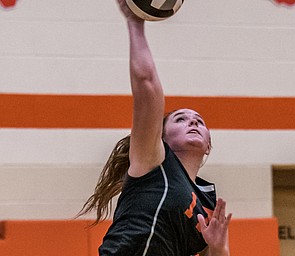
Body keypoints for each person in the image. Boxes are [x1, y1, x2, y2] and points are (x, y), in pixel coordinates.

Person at [78, 0, 232, 255]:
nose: (193, 121)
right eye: (180, 119)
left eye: (200, 121)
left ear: (208, 146)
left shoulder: (206, 203)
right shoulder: (155, 161)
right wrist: (135, 23)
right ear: (161, 137)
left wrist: (218, 247)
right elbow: (147, 85)